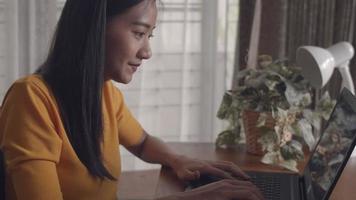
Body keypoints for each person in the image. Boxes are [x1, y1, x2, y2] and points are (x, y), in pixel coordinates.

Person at [0, 0, 264, 199]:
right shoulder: (31, 99)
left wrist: (176, 159)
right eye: (139, 33)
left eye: (150, 36)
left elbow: (142, 143)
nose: (147, 51)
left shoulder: (106, 94)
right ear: (94, 27)